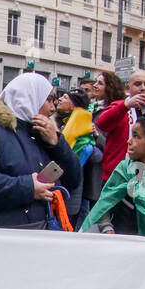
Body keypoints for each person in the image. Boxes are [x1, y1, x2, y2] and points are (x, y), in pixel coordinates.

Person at [0, 72, 80, 228]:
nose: (52, 108)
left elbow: (74, 179)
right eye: (48, 99)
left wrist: (56, 143)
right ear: (29, 97)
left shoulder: (42, 133)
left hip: (34, 230)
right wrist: (27, 187)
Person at [83, 116, 145, 235]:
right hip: (118, 239)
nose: (129, 141)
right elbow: (104, 202)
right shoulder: (124, 169)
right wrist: (106, 227)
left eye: (136, 136)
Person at [95, 69, 145, 184]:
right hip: (116, 178)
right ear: (128, 88)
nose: (143, 88)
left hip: (142, 179)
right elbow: (102, 123)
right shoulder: (119, 106)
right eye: (137, 84)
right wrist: (126, 105)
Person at [57, 87, 99, 227]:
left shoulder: (84, 129)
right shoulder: (60, 121)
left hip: (71, 192)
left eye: (65, 97)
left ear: (73, 105)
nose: (60, 99)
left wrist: (93, 142)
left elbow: (97, 156)